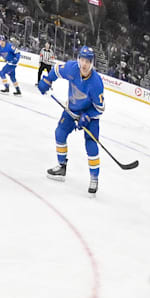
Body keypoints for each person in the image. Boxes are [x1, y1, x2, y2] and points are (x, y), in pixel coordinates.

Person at [39, 45, 105, 195]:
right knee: (60, 133)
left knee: (91, 143)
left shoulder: (96, 82)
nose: (84, 64)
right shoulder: (72, 68)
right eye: (82, 60)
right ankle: (61, 166)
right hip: (72, 110)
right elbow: (56, 70)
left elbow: (100, 108)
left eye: (88, 61)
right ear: (78, 59)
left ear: (92, 63)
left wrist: (87, 116)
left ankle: (94, 178)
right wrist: (47, 80)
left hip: (90, 116)